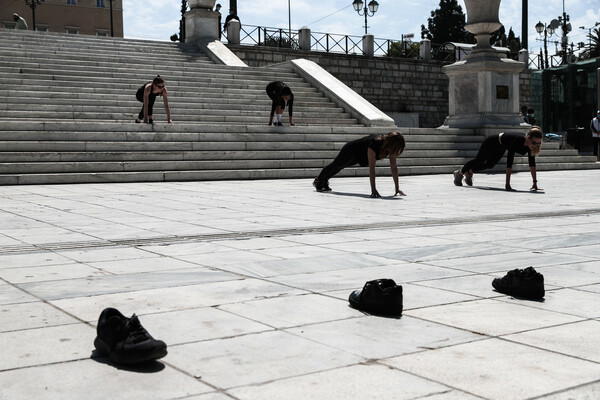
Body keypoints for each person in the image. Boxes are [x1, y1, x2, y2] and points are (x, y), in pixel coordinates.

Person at [313, 131, 407, 198]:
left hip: (359, 155)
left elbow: (394, 168)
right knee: (337, 164)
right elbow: (372, 169)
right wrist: (373, 190)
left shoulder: (390, 149)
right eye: (397, 148)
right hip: (351, 150)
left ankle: (324, 180)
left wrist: (397, 188)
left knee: (341, 166)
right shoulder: (375, 143)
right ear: (392, 145)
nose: (397, 151)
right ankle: (319, 180)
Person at [453, 127, 543, 191]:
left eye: (538, 144)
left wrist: (535, 183)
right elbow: (509, 162)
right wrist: (507, 184)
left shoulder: (530, 146)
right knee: (479, 160)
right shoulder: (517, 140)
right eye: (534, 143)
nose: (535, 145)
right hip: (493, 141)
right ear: (528, 138)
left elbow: (532, 164)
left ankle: (469, 173)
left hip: (502, 147)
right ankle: (459, 173)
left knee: (490, 165)